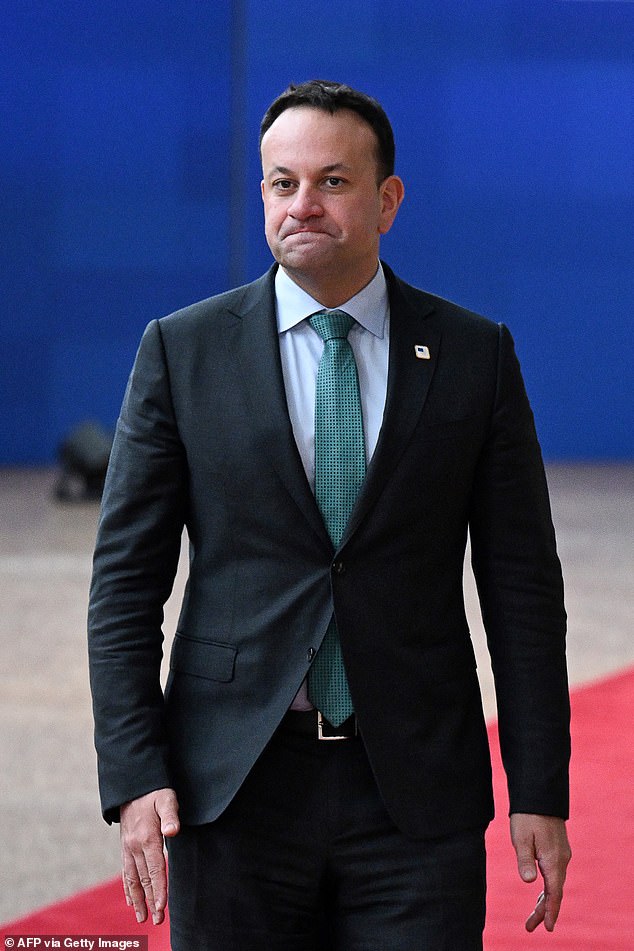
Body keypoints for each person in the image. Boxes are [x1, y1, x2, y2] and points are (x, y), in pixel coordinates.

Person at [88, 79, 571, 951]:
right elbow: (124, 587)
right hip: (232, 790)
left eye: (333, 182)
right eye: (282, 183)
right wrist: (133, 772)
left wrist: (540, 786)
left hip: (415, 797)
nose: (302, 204)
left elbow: (523, 591)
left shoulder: (475, 355)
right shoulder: (181, 350)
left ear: (388, 200)